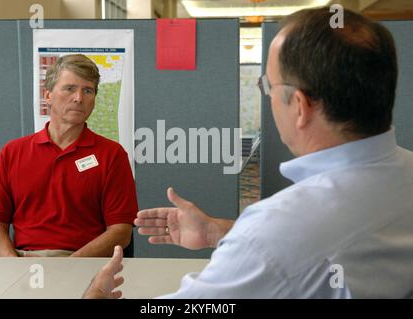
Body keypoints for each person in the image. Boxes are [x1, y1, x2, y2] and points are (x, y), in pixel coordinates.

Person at [84, 7, 413, 298]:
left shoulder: (278, 228)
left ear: (299, 106)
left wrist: (95, 297)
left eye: (267, 86)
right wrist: (221, 232)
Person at [0, 54, 138, 258]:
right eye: (70, 88)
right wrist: (12, 267)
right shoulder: (13, 152)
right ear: (48, 95)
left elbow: (121, 232)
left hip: (84, 265)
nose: (79, 98)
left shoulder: (111, 155)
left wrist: (70, 268)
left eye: (88, 90)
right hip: (23, 262)